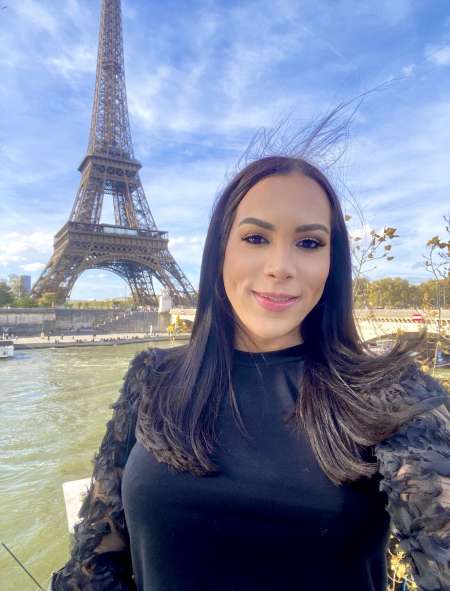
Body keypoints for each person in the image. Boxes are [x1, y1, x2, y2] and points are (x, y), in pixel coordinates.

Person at [51, 155, 449, 591]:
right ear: (220, 251)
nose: (280, 266)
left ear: (332, 262)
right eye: (256, 238)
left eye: (309, 243)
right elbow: (97, 561)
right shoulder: (151, 377)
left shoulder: (392, 396)